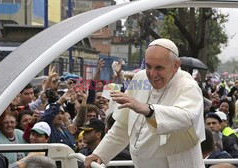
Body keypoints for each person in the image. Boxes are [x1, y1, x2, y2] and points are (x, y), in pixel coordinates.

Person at [85, 38, 205, 168]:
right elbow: (123, 126)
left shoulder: (187, 85)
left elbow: (187, 117)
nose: (152, 74)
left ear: (175, 65)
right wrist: (100, 154)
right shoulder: (140, 78)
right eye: (148, 66)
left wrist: (148, 110)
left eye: (159, 68)